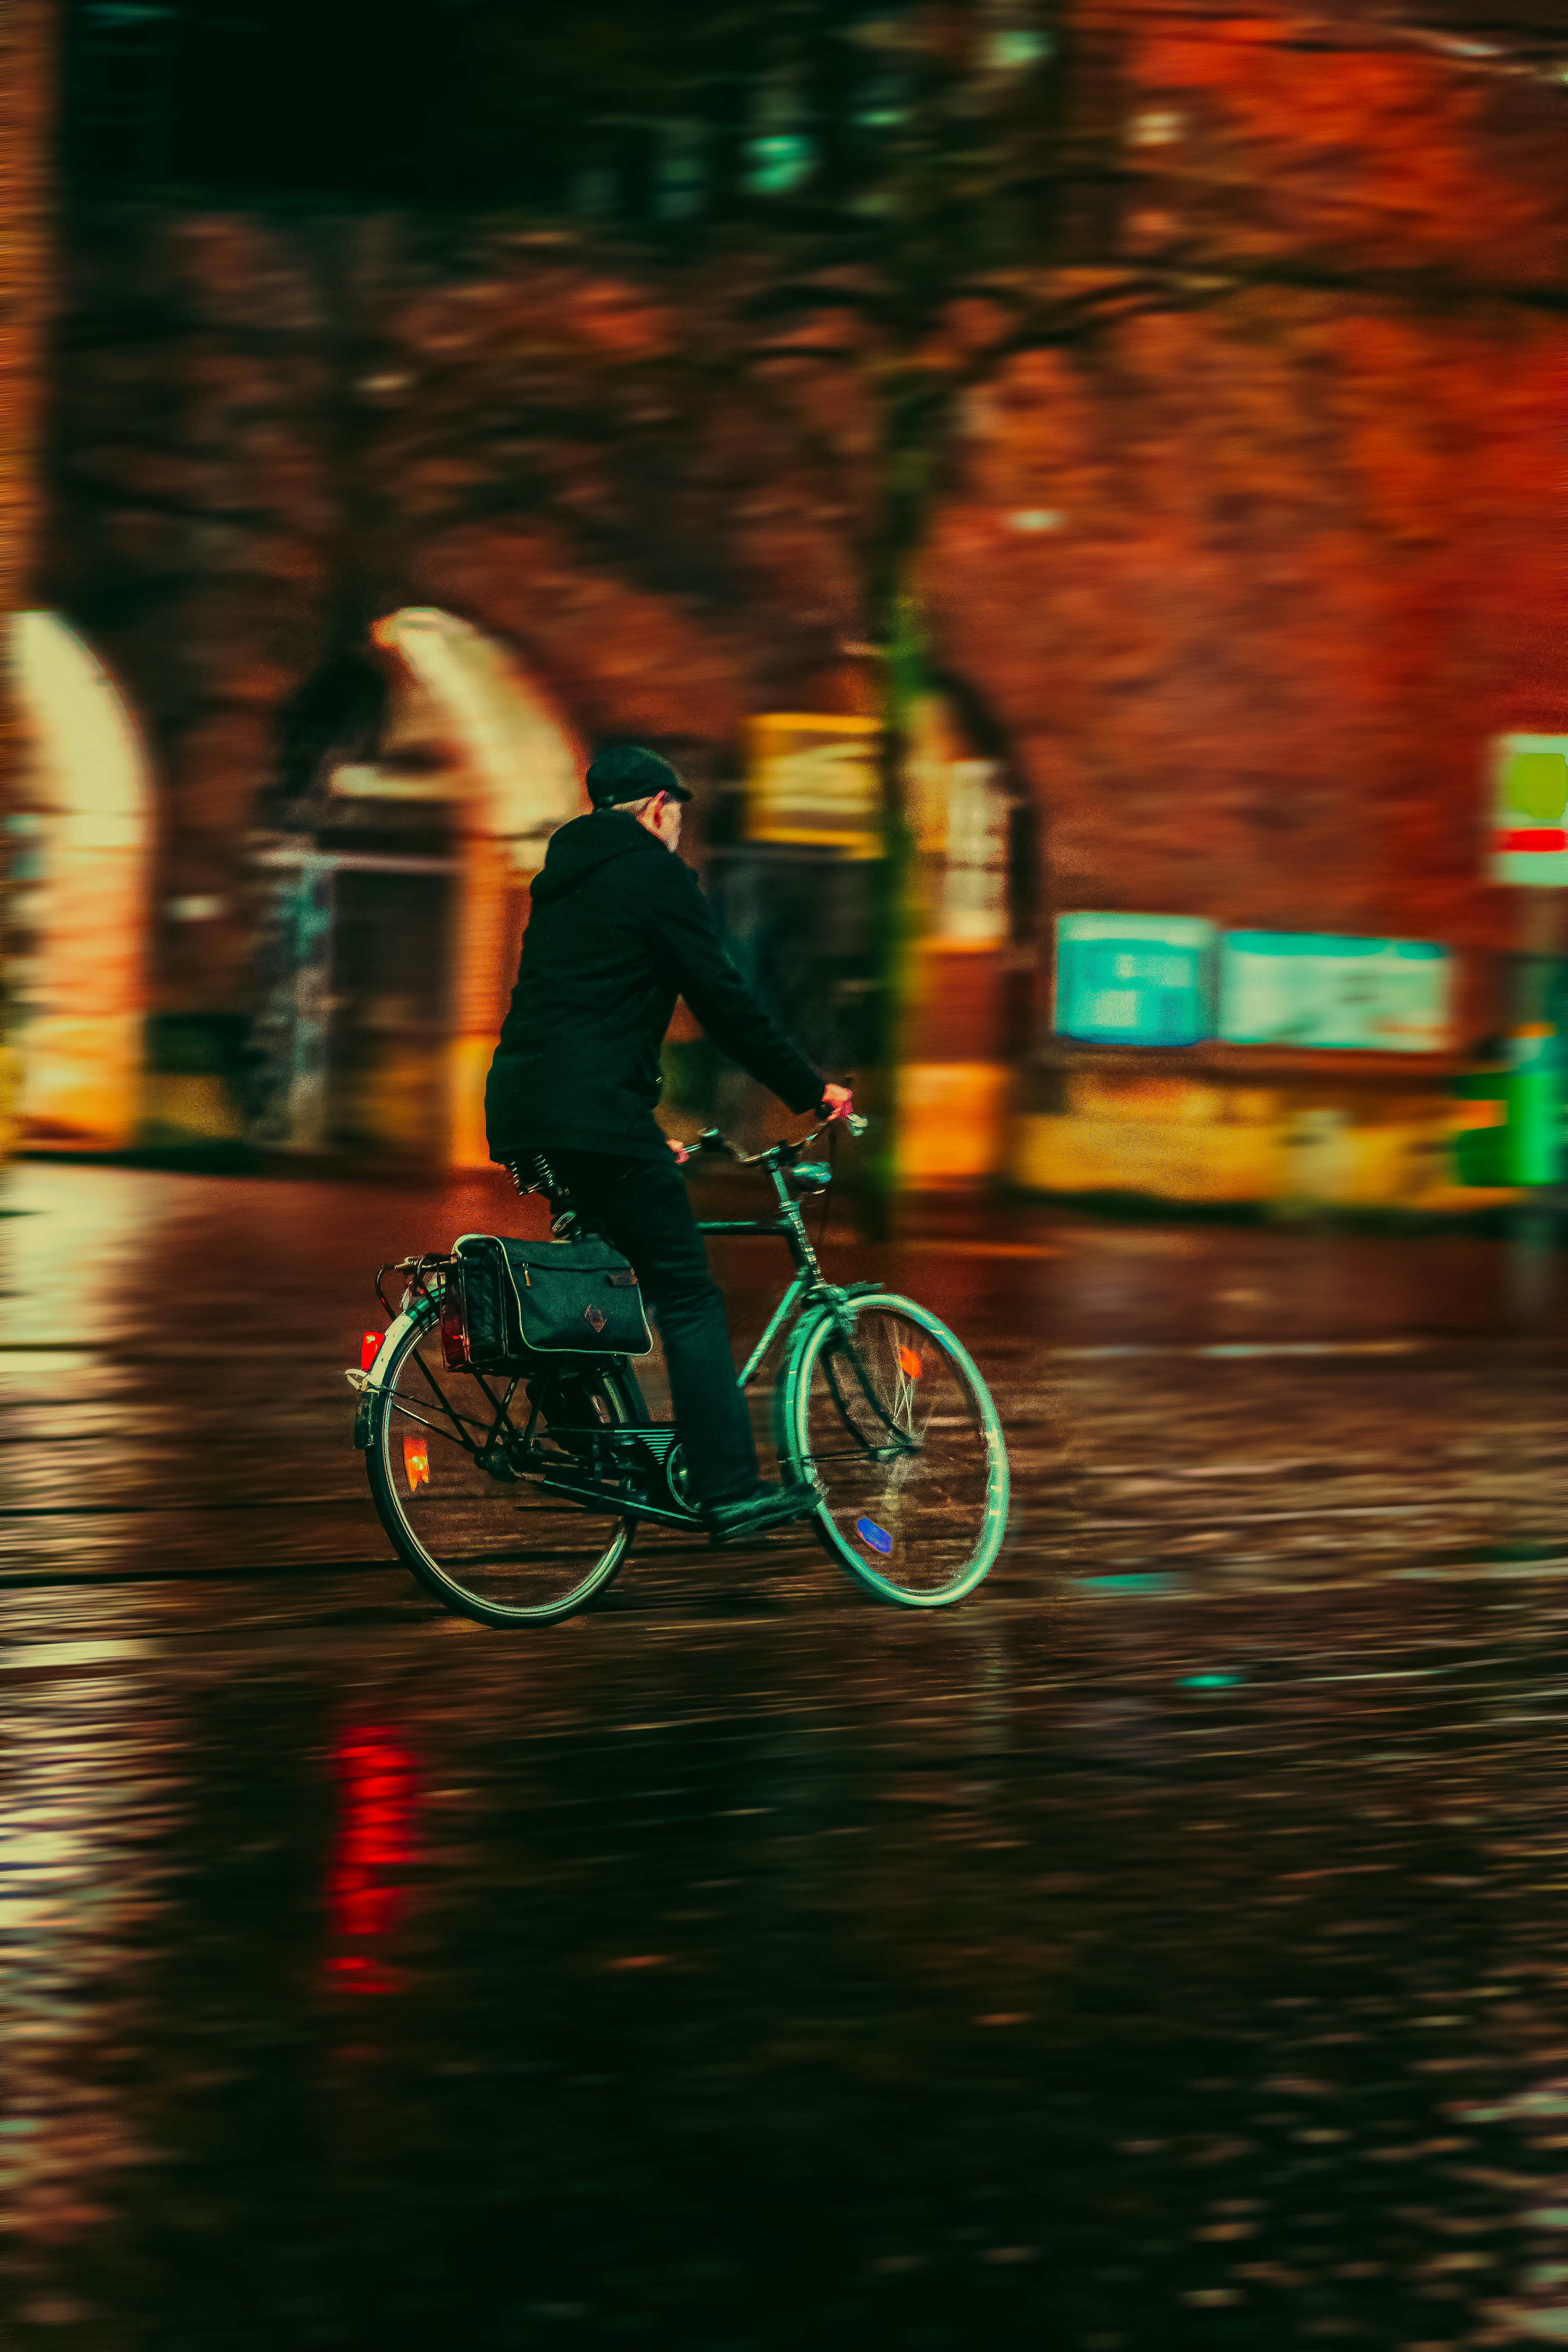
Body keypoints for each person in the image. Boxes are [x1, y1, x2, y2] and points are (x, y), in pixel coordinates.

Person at [485, 742, 853, 1546]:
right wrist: (807, 1087)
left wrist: (645, 1132)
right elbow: (723, 999)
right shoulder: (653, 874)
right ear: (658, 807)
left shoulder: (561, 882)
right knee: (686, 1293)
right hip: (589, 1115)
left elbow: (579, 1017)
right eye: (677, 812)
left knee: (596, 1270)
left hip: (523, 1109)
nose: (679, 825)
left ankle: (585, 1438)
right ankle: (728, 1488)